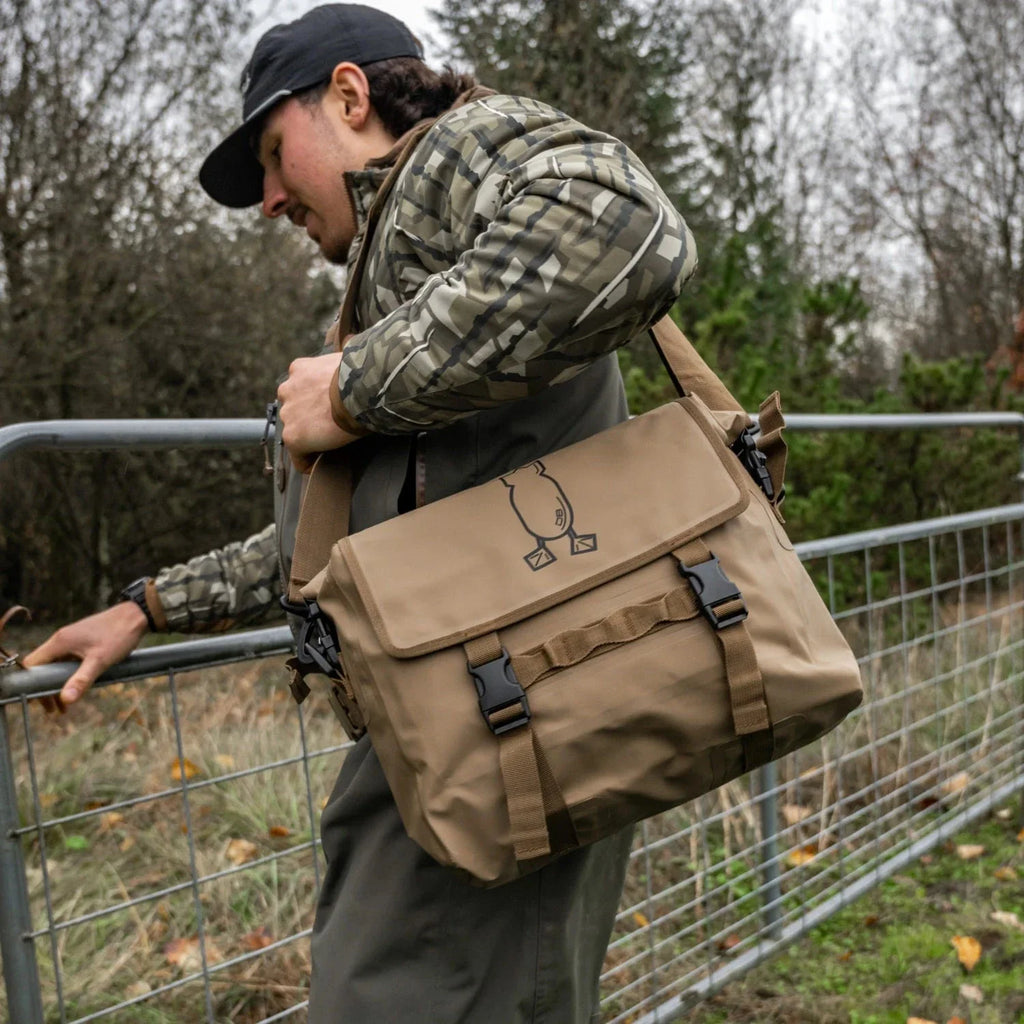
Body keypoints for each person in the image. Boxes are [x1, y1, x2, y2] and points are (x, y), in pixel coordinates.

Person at [23, 4, 697, 1020]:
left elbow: (629, 230)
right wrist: (150, 605)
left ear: (349, 94)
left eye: (269, 153)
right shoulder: (405, 264)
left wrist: (349, 388)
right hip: (480, 716)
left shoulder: (449, 155)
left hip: (495, 713)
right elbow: (344, 544)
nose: (264, 199)